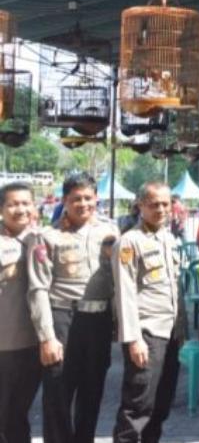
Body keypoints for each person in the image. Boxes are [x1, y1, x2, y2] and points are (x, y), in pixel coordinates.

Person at [27, 172, 119, 443]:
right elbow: (38, 289)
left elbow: (118, 282)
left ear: (96, 198)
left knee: (93, 392)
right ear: (65, 200)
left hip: (98, 321)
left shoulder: (110, 233)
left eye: (88, 198)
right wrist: (47, 337)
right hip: (62, 320)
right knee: (58, 394)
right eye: (76, 198)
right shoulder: (47, 237)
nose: (83, 204)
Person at [113, 182, 183, 443]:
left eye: (166, 204)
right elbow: (125, 293)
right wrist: (133, 339)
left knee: (161, 404)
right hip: (147, 334)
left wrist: (182, 330)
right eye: (154, 204)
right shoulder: (130, 242)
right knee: (137, 406)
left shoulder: (168, 238)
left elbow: (176, 290)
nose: (161, 209)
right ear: (140, 205)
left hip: (170, 333)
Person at [0, 183, 42, 443]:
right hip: (4, 345)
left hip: (35, 343)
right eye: (13, 204)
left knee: (20, 412)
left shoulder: (42, 239)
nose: (21, 209)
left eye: (26, 203)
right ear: (2, 208)